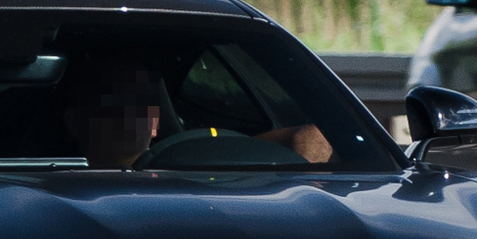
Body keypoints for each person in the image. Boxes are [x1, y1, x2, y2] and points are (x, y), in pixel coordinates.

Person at [61, 50, 331, 168]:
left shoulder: (193, 169)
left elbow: (315, 135)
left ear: (155, 122)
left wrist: (303, 180)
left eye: (137, 98)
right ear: (73, 122)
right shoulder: (60, 186)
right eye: (112, 96)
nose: (127, 108)